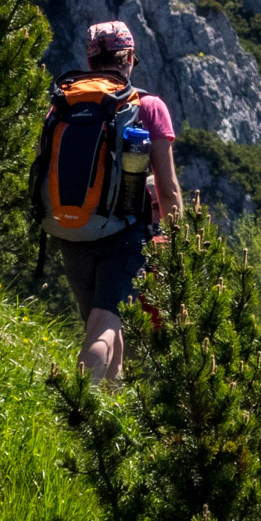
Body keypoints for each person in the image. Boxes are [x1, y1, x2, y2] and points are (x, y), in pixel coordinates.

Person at [47, 20, 183, 384]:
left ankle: (111, 401)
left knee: (103, 318)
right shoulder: (148, 106)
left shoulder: (64, 102)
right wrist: (179, 240)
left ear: (91, 61)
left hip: (68, 227)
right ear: (130, 58)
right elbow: (167, 188)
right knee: (104, 323)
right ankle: (76, 406)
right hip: (122, 233)